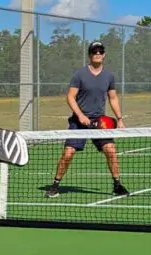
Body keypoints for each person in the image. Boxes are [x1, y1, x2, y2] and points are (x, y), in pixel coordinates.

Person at [45, 41, 129, 199]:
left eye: (100, 51)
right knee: (68, 153)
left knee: (111, 151)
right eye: (94, 51)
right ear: (90, 55)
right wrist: (81, 115)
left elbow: (113, 98)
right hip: (79, 122)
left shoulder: (109, 76)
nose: (97, 54)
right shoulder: (80, 74)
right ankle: (55, 185)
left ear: (104, 55)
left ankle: (117, 185)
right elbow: (70, 97)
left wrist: (120, 119)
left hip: (100, 122)